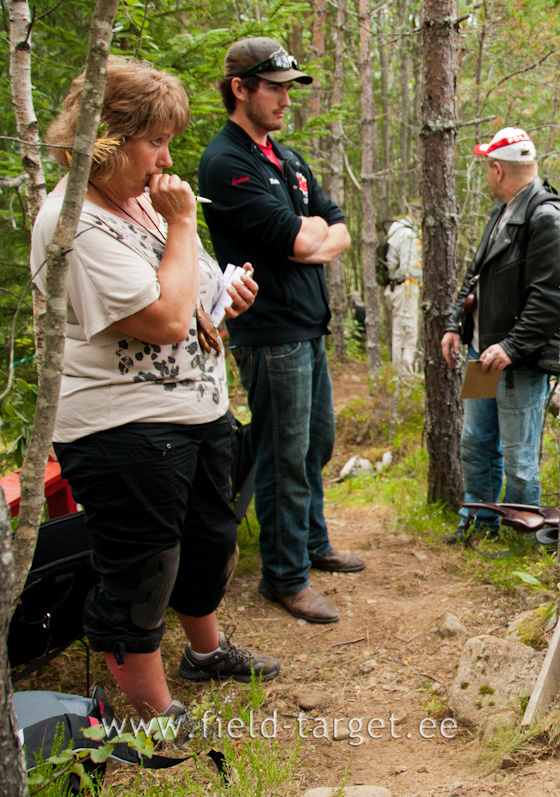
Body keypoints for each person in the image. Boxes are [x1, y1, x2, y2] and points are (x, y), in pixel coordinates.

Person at [32, 57, 279, 724]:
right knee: (145, 562)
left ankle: (204, 649)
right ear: (106, 137)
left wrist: (227, 295)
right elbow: (164, 317)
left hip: (197, 408)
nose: (165, 157)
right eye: (156, 141)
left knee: (209, 538)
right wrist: (180, 226)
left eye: (170, 139)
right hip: (124, 424)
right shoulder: (72, 221)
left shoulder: (142, 200)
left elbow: (187, 295)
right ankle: (151, 711)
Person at [199, 37, 364, 625]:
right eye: (274, 87)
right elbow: (300, 240)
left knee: (315, 445)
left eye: (290, 87)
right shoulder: (226, 162)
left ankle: (312, 544)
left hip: (307, 327)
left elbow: (335, 228)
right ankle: (284, 576)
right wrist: (309, 236)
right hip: (271, 334)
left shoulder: (286, 159)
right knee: (283, 455)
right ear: (240, 88)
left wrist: (313, 235)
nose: (285, 99)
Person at [440, 127, 560, 542]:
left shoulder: (546, 216)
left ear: (497, 169)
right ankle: (479, 522)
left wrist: (511, 347)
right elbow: (474, 273)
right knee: (475, 443)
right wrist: (455, 324)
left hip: (519, 362)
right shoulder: (503, 210)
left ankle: (522, 539)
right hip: (482, 356)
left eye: (486, 168)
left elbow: (549, 299)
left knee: (519, 460)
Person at [383, 215, 422, 379]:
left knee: (399, 331)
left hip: (395, 288)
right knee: (408, 331)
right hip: (406, 288)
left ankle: (398, 373)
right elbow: (409, 268)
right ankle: (405, 376)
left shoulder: (395, 233)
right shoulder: (408, 236)